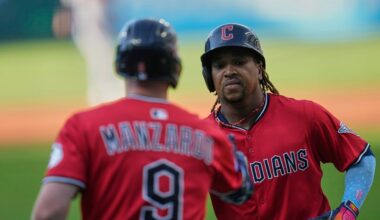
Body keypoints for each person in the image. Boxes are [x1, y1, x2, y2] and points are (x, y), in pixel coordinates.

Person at [31, 18, 253, 220]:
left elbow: (48, 211)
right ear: (174, 67)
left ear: (121, 64)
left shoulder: (84, 126)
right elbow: (239, 190)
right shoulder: (207, 133)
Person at [200, 23, 376, 220]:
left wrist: (348, 209)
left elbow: (361, 158)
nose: (229, 71)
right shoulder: (201, 138)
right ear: (209, 76)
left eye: (239, 62)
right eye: (219, 65)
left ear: (259, 69)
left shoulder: (304, 115)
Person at [52, 0, 124, 105]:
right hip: (88, 28)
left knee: (101, 61)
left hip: (96, 27)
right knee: (100, 61)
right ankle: (104, 94)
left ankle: (98, 94)